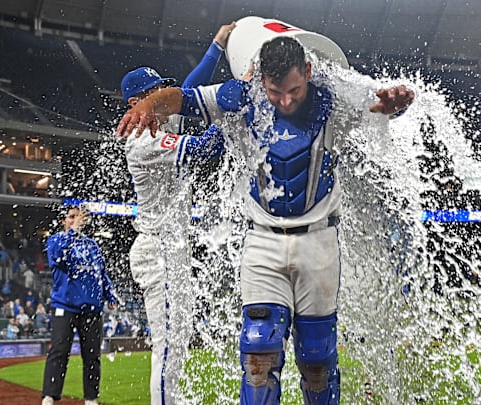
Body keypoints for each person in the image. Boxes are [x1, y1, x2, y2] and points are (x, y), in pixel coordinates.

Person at [116, 36, 414, 404]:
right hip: (258, 241)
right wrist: (160, 103)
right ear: (262, 83)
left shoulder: (331, 98)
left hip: (318, 241)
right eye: (275, 91)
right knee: (257, 351)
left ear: (307, 72)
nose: (285, 101)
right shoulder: (237, 101)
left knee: (317, 358)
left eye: (293, 90)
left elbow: (375, 101)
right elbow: (186, 100)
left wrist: (394, 104)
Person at [122, 21, 234, 405]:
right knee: (168, 344)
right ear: (137, 102)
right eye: (153, 93)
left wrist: (217, 46)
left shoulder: (161, 120)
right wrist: (232, 110)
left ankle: (174, 399)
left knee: (178, 340)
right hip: (159, 249)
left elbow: (186, 91)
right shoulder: (144, 138)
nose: (162, 97)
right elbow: (206, 149)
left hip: (171, 246)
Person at [41, 205, 118, 405]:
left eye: (79, 217)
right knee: (59, 351)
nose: (76, 220)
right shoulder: (56, 240)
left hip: (92, 309)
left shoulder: (92, 245)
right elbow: (57, 258)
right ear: (64, 221)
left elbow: (101, 274)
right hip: (64, 306)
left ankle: (91, 399)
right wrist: (73, 231)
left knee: (92, 356)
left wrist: (110, 294)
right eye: (71, 217)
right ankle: (49, 396)